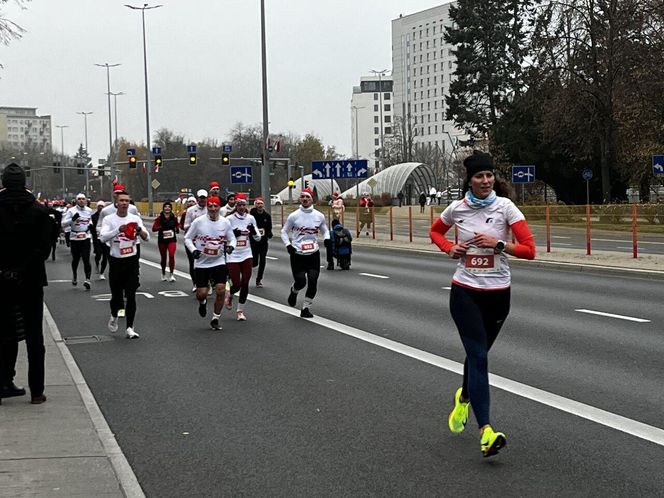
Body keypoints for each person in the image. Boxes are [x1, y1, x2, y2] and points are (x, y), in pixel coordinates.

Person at [429, 150, 535, 458]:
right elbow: (436, 231)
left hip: (499, 294)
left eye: (489, 175)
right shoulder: (457, 209)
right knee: (479, 358)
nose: (485, 181)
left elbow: (530, 250)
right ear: (470, 180)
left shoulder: (506, 208)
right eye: (479, 176)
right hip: (465, 291)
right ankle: (486, 432)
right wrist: (451, 248)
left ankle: (464, 398)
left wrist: (499, 244)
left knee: (478, 356)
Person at [0, 163, 52, 405]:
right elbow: (43, 249)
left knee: (3, 334)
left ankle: (3, 383)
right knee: (34, 336)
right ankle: (37, 391)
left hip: (0, 280)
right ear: (24, 183)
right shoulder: (39, 212)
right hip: (31, 280)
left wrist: (6, 270)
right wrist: (23, 269)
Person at [100, 190, 150, 339]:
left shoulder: (134, 218)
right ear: (116, 202)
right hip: (116, 261)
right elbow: (102, 238)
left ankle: (130, 327)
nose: (124, 203)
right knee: (116, 296)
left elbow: (146, 238)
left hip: (131, 260)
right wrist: (118, 230)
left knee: (131, 294)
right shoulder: (109, 219)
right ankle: (114, 314)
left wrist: (139, 230)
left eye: (127, 201)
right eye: (121, 201)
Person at [184, 196, 236, 330]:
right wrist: (194, 250)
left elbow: (232, 239)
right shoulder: (199, 222)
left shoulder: (225, 222)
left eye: (215, 206)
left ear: (219, 207)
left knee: (220, 290)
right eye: (210, 206)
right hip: (201, 262)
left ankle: (215, 318)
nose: (213, 209)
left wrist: (231, 247)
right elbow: (187, 238)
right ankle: (202, 302)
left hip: (218, 261)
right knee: (201, 293)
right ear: (207, 207)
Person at [281, 188, 330, 318]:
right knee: (301, 281)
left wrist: (327, 239)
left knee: (313, 280)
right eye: (302, 197)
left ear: (311, 199)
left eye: (307, 197)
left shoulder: (319, 216)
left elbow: (325, 230)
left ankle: (306, 308)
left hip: (313, 253)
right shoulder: (294, 216)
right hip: (297, 253)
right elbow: (284, 232)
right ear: (300, 199)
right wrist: (288, 245)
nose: (305, 199)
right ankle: (294, 291)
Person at [226, 193, 261, 320]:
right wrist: (234, 234)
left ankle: (240, 310)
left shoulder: (250, 218)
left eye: (243, 205)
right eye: (239, 205)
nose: (241, 207)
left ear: (246, 205)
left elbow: (258, 238)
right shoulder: (229, 219)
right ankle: (230, 294)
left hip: (246, 253)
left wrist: (253, 231)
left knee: (245, 282)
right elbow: (225, 237)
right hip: (233, 254)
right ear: (236, 205)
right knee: (236, 284)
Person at [62, 193, 94, 289]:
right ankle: (75, 275)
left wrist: (90, 225)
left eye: (83, 199)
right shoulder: (71, 211)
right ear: (76, 201)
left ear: (86, 200)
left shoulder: (89, 210)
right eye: (79, 199)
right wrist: (72, 219)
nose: (81, 200)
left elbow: (90, 220)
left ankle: (87, 280)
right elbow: (63, 224)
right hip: (74, 237)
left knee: (86, 258)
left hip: (85, 236)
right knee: (75, 259)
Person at [183, 189, 209, 291]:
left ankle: (206, 282)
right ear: (198, 198)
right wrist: (196, 225)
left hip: (206, 240)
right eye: (201, 198)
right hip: (192, 240)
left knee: (207, 261)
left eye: (204, 198)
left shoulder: (209, 209)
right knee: (193, 262)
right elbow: (186, 226)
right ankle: (195, 283)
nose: (202, 200)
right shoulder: (191, 210)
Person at [152, 200, 179, 282]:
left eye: (169, 207)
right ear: (163, 208)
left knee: (171, 255)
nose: (167, 208)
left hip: (172, 239)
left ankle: (171, 274)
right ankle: (163, 273)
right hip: (162, 240)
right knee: (163, 258)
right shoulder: (159, 218)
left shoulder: (173, 218)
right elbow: (153, 229)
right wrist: (161, 227)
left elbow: (177, 225)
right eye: (165, 207)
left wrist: (177, 228)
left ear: (171, 209)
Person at [249, 197, 273, 287]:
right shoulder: (251, 215)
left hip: (263, 242)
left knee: (263, 260)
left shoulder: (267, 216)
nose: (260, 206)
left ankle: (258, 280)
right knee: (255, 262)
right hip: (253, 242)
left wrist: (269, 233)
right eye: (258, 204)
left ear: (263, 205)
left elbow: (269, 228)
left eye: (261, 204)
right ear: (255, 205)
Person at [91, 201, 108, 280]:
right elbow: (91, 227)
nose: (100, 208)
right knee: (98, 253)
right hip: (96, 239)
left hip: (106, 239)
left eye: (102, 206)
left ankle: (102, 273)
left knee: (105, 256)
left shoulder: (108, 217)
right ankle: (97, 263)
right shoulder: (94, 216)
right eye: (99, 206)